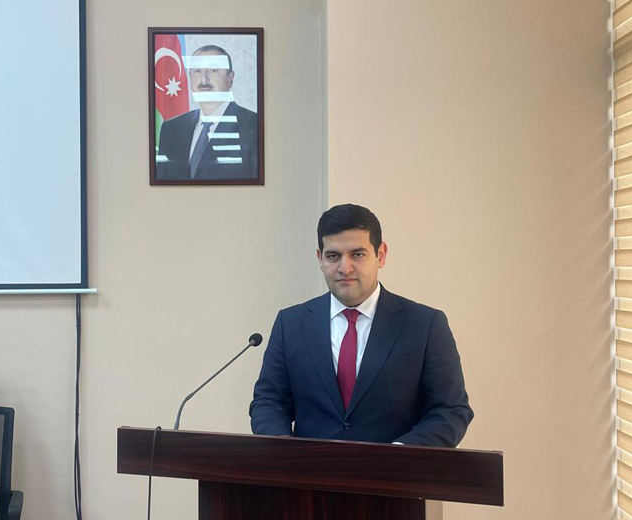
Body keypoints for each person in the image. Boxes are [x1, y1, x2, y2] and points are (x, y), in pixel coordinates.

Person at [249, 204, 473, 447]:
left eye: (357, 254)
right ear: (320, 259)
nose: (344, 268)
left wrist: (400, 455)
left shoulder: (425, 324)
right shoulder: (291, 324)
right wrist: (281, 447)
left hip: (396, 469)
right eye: (333, 256)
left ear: (381, 255)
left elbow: (450, 410)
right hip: (308, 470)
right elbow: (269, 401)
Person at [156, 45, 258, 180]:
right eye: (197, 71)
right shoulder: (171, 128)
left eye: (214, 70)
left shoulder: (254, 126)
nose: (204, 79)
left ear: (230, 78)